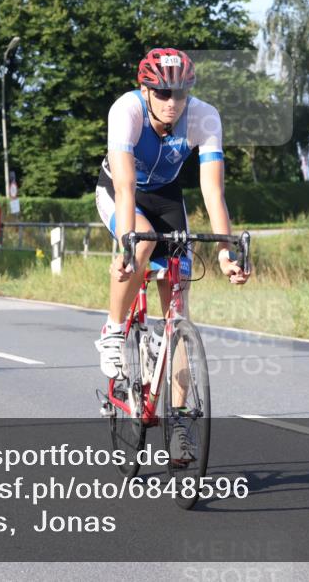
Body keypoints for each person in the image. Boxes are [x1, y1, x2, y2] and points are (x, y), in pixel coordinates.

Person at [94, 48, 250, 380]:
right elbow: (124, 187)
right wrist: (126, 246)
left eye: (180, 93)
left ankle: (180, 421)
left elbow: (212, 191)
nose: (172, 102)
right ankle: (114, 330)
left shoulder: (204, 116)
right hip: (120, 190)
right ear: (145, 90)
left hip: (166, 195)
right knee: (141, 245)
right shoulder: (126, 110)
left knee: (178, 306)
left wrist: (225, 252)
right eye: (163, 93)